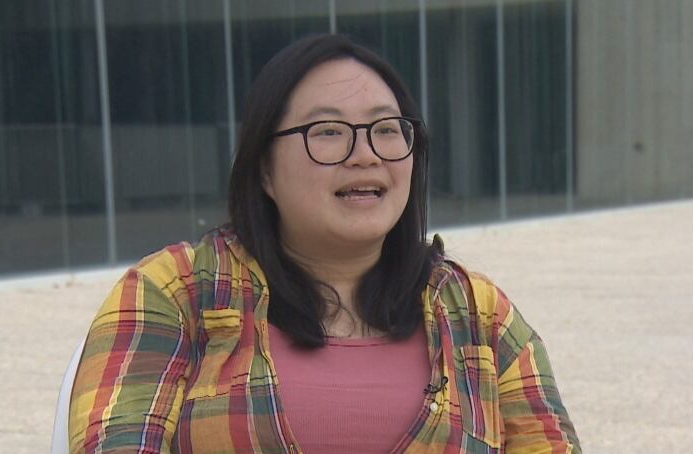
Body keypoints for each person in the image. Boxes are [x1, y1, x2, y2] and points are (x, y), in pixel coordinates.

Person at [68, 34, 580, 453]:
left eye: (386, 128)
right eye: (329, 131)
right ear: (264, 168)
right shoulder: (173, 292)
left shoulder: (478, 313)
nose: (365, 155)